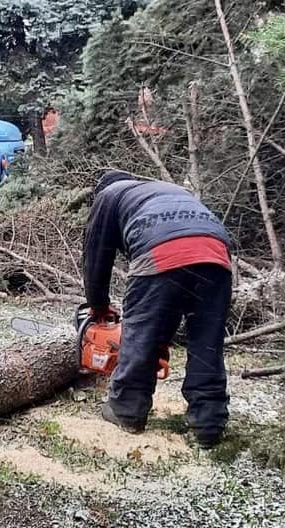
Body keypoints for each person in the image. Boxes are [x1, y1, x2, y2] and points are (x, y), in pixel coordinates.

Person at [83, 170, 233, 448]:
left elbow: (96, 258)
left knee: (140, 334)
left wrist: (98, 305)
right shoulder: (166, 190)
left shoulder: (108, 194)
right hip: (217, 254)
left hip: (162, 251)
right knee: (207, 341)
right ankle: (208, 423)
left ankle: (126, 409)